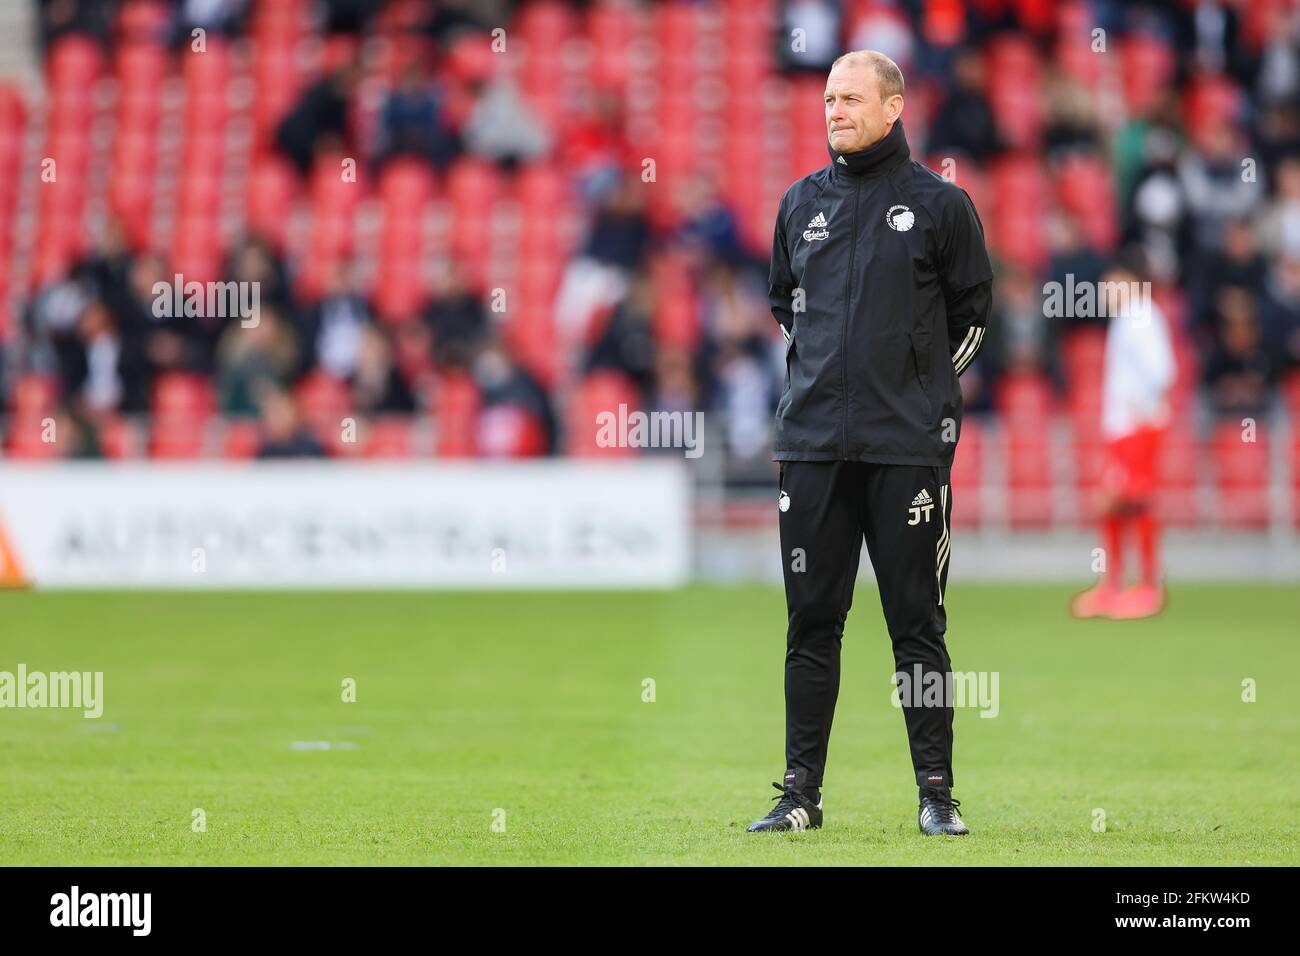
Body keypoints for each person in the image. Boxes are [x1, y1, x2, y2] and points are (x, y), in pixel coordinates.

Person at [748, 51, 993, 836]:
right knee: (809, 625)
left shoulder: (941, 206)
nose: (833, 110)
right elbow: (788, 308)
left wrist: (917, 398)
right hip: (814, 448)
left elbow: (974, 317)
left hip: (905, 451)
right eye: (827, 98)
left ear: (894, 108)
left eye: (850, 98)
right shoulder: (798, 205)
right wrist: (826, 385)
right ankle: (798, 795)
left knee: (916, 625)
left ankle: (936, 795)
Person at [1070, 252, 1175, 620]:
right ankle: (1113, 586)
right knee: (1115, 502)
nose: (1104, 289)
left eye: (1111, 281)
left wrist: (1139, 408)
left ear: (1130, 281)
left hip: (1138, 427)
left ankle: (1147, 587)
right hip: (1123, 429)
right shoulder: (1128, 319)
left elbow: (1162, 371)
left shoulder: (1142, 316)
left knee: (1135, 499)